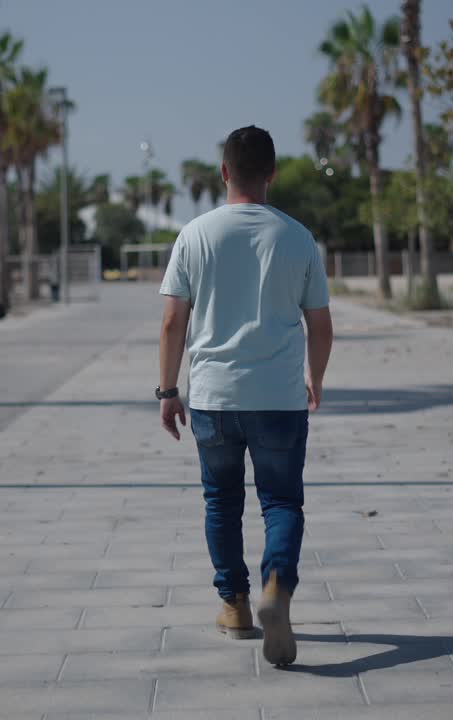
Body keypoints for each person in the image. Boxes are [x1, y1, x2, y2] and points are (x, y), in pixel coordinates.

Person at [156, 125, 334, 667]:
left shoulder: (195, 234)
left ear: (225, 172)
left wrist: (168, 390)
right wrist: (315, 378)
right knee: (281, 501)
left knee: (222, 502)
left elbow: (171, 323)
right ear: (272, 174)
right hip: (279, 397)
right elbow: (321, 326)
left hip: (213, 398)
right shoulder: (298, 237)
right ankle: (276, 584)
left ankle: (234, 606)